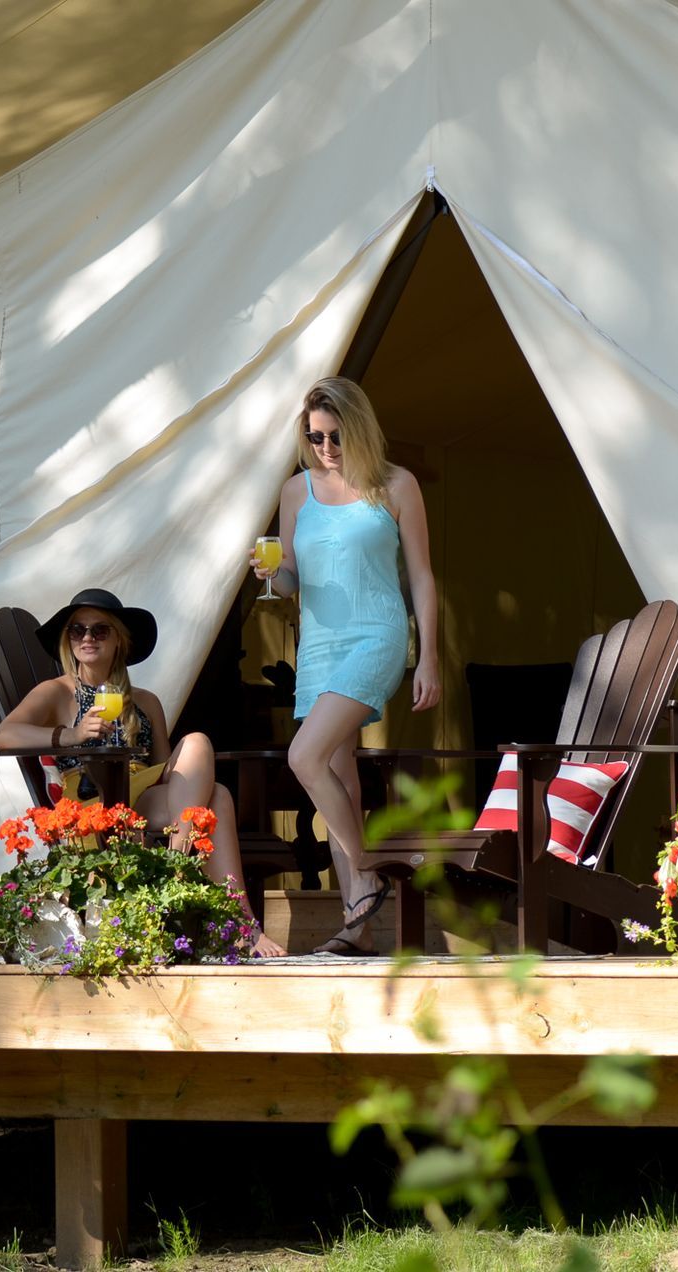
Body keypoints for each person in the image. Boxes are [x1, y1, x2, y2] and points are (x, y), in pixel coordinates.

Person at [251, 376, 439, 954]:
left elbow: (423, 577)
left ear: (356, 427)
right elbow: (289, 580)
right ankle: (356, 929)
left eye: (334, 436)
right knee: (340, 780)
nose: (325, 449)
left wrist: (428, 653)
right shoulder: (295, 491)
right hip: (318, 646)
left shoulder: (396, 484)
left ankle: (367, 870)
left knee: (302, 755)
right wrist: (271, 574)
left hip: (377, 635)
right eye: (314, 437)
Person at [0, 587, 286, 959]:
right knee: (218, 794)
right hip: (91, 799)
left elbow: (167, 772)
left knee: (206, 770)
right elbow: (5, 734)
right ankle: (232, 918)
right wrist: (70, 734)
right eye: (77, 630)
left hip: (138, 794)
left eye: (100, 630)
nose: (87, 638)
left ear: (120, 639)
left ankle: (192, 879)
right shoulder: (56, 692)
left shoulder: (146, 702)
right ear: (68, 640)